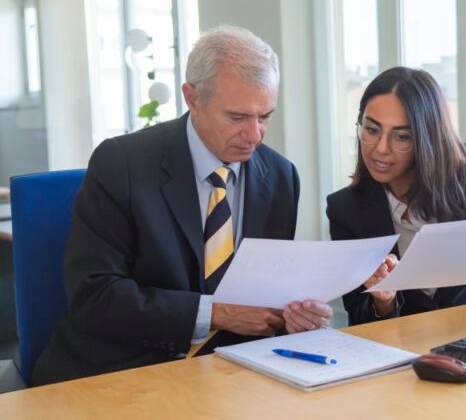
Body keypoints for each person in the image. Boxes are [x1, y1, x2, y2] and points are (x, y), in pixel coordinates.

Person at [31, 26, 331, 385]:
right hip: (123, 369)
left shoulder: (280, 176)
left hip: (233, 372)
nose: (254, 135)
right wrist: (215, 314)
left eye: (265, 116)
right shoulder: (122, 163)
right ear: (192, 97)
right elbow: (95, 296)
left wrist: (293, 316)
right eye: (237, 117)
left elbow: (264, 290)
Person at [326, 67, 466, 326]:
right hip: (402, 352)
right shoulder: (345, 209)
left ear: (427, 138)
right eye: (372, 130)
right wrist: (384, 302)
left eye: (402, 136)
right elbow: (358, 314)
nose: (381, 149)